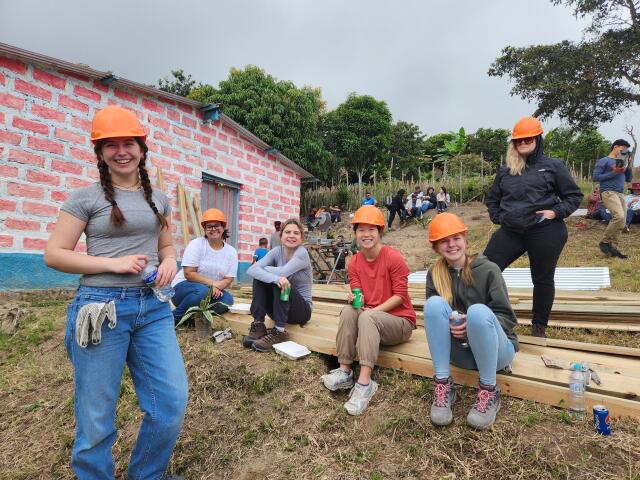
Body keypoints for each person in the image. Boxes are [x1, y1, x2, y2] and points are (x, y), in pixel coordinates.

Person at [43, 105, 187, 479]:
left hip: (153, 310)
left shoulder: (159, 199)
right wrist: (114, 264)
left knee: (170, 403)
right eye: (111, 145)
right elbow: (54, 255)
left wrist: (170, 262)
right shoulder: (85, 198)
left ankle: (147, 475)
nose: (121, 151)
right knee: (96, 416)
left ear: (142, 148)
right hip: (100, 310)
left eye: (129, 143)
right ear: (100, 152)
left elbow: (166, 246)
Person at [484, 116, 583, 338]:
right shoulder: (505, 170)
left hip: (545, 230)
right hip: (511, 231)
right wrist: (499, 217)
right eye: (519, 140)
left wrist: (555, 212)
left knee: (542, 278)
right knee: (485, 269)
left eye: (528, 139)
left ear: (538, 139)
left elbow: (574, 196)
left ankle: (539, 327)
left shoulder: (553, 166)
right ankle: (489, 315)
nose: (523, 143)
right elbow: (492, 200)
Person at [424, 213, 518, 430]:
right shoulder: (435, 274)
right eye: (444, 241)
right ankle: (443, 384)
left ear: (465, 240)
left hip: (496, 355)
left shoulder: (488, 270)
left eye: (456, 238)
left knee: (477, 312)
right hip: (461, 355)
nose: (451, 245)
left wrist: (475, 325)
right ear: (436, 247)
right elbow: (435, 321)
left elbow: (507, 318)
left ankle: (489, 390)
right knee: (433, 305)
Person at [320, 206, 415, 415]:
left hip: (400, 323)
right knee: (348, 311)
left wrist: (370, 312)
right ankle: (345, 370)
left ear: (380, 232)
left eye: (372, 229)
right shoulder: (354, 263)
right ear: (355, 234)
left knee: (367, 317)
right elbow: (359, 296)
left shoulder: (393, 257)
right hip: (371, 319)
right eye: (361, 230)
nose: (366, 234)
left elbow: (400, 295)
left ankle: (365, 383)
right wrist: (355, 299)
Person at [243, 218, 313, 352]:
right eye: (287, 232)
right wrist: (266, 274)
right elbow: (252, 270)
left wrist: (264, 270)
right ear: (281, 236)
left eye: (296, 233)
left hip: (301, 311)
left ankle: (280, 331)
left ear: (301, 237)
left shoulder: (302, 253)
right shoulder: (276, 251)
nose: (291, 235)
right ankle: (258, 324)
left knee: (279, 279)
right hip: (278, 310)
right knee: (265, 278)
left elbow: (283, 272)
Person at [171, 208, 237, 322]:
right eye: (209, 226)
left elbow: (228, 279)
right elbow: (189, 273)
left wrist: (217, 286)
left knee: (227, 301)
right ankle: (174, 318)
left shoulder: (231, 251)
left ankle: (194, 318)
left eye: (217, 225)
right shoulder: (197, 244)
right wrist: (212, 285)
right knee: (203, 292)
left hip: (209, 291)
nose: (213, 229)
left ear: (223, 227)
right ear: (205, 229)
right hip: (183, 289)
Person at [593, 139, 634, 258]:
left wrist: (629, 166)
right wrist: (614, 173)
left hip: (621, 194)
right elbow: (595, 177)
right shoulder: (604, 161)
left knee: (623, 221)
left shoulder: (623, 162)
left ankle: (613, 247)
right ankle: (604, 242)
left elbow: (628, 179)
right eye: (623, 149)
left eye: (626, 150)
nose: (625, 151)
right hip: (608, 192)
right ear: (615, 147)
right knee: (619, 216)